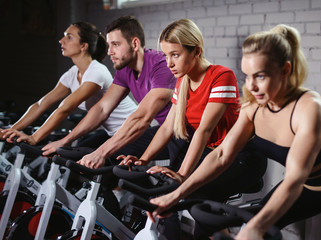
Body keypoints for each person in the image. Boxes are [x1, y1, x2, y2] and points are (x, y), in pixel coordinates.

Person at [148, 24, 321, 240]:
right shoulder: (252, 108)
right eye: (247, 76)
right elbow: (221, 155)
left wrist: (254, 228)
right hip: (307, 188)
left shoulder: (309, 107)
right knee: (256, 228)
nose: (252, 87)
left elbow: (295, 178)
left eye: (260, 76)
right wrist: (176, 194)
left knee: (255, 228)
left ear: (285, 70)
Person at [120, 19, 266, 239]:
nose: (169, 63)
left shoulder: (221, 76)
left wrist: (182, 175)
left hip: (241, 157)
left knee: (193, 195)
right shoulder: (183, 81)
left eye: (175, 55)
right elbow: (167, 126)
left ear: (196, 51)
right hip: (213, 154)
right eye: (166, 55)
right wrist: (143, 160)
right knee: (192, 203)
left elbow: (204, 130)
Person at [41, 16, 176, 168]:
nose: (110, 52)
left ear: (135, 43)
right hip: (167, 129)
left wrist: (101, 153)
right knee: (87, 151)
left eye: (116, 44)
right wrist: (64, 141)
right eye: (108, 45)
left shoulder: (161, 66)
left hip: (184, 133)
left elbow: (142, 119)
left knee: (113, 154)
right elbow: (102, 109)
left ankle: (126, 190)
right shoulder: (125, 69)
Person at [1, 22, 137, 147]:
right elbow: (41, 104)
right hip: (113, 133)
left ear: (84, 46)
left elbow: (65, 108)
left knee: (79, 157)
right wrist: (11, 129)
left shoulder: (96, 72)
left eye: (69, 37)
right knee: (75, 153)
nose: (61, 40)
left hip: (133, 130)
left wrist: (35, 138)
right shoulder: (73, 73)